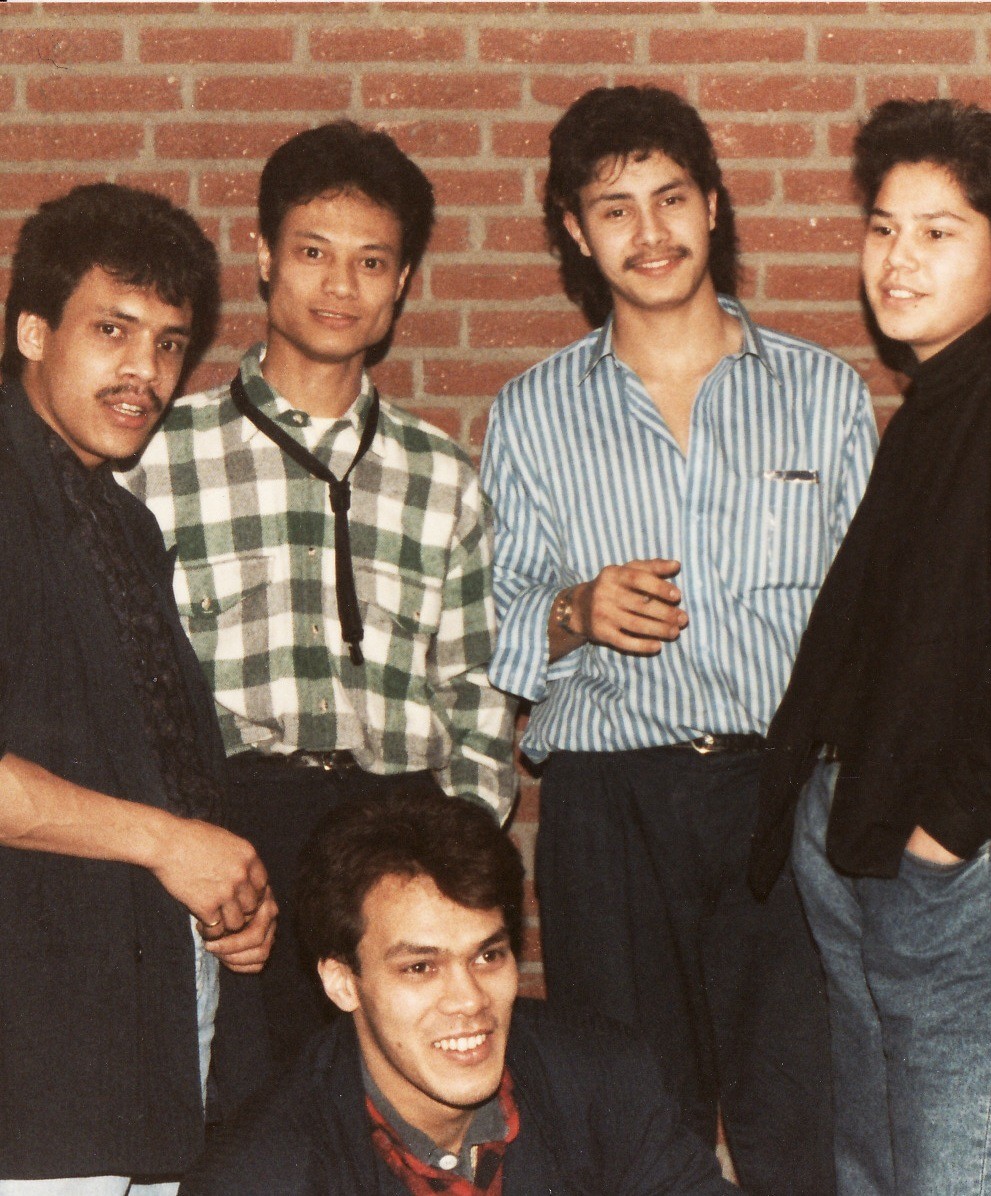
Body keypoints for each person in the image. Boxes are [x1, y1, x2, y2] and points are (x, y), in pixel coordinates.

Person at [482, 85, 875, 1195]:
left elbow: (876, 620)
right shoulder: (532, 413)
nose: (648, 233)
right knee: (633, 1129)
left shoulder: (823, 394)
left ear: (713, 203)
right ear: (575, 230)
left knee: (804, 1126)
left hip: (781, 796)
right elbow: (490, 620)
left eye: (669, 199)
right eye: (614, 209)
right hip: (611, 809)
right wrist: (575, 610)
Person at [749, 98, 991, 1195]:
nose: (898, 259)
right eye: (883, 228)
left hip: (975, 865)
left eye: (937, 231)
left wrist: (946, 834)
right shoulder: (940, 401)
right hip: (879, 844)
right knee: (882, 1175)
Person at [125, 121, 517, 1070]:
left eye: (371, 262)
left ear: (402, 281)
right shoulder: (161, 455)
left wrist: (451, 860)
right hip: (233, 827)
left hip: (397, 827)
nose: (341, 286)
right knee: (241, 1104)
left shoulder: (442, 475)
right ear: (263, 256)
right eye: (313, 252)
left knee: (393, 1106)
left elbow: (476, 692)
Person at [0, 183, 275, 1192]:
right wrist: (170, 843)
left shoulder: (123, 523)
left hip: (144, 1020)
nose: (145, 372)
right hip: (30, 1052)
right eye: (111, 330)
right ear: (33, 331)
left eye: (168, 344)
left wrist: (226, 896)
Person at [182, 788, 739, 1195]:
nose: (470, 999)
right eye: (421, 968)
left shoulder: (603, 1079)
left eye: (487, 956)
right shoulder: (262, 1175)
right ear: (343, 982)